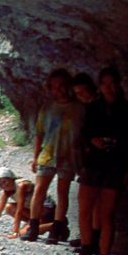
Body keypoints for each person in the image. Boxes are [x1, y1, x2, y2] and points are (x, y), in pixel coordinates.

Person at [70, 67, 128, 255]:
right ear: (99, 86)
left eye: (112, 83)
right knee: (84, 210)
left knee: (107, 214)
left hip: (116, 164)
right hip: (94, 163)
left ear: (119, 84)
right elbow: (84, 134)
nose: (109, 88)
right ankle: (85, 250)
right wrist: (93, 141)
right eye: (105, 84)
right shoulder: (94, 108)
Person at [22, 68, 84, 245]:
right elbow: (39, 133)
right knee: (40, 190)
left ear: (68, 86)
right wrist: (35, 157)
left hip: (68, 156)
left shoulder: (79, 108)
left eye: (62, 86)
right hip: (48, 155)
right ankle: (33, 226)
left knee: (62, 192)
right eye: (54, 86)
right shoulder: (47, 108)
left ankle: (57, 228)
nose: (58, 90)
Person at [0, 167, 55, 239]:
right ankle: (38, 225)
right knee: (8, 207)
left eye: (4, 181)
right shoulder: (6, 192)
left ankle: (55, 226)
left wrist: (15, 232)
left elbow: (19, 210)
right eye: (0, 184)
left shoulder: (21, 185)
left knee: (22, 232)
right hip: (35, 212)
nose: (3, 185)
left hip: (47, 210)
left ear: (11, 178)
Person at [70, 73, 102, 254]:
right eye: (78, 93)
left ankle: (91, 242)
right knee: (93, 203)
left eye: (84, 91)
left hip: (97, 160)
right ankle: (90, 238)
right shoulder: (88, 107)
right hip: (89, 159)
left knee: (91, 203)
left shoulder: (96, 108)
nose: (81, 95)